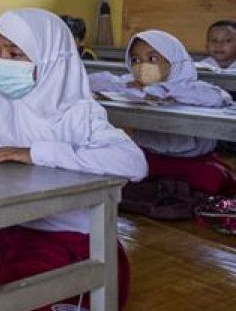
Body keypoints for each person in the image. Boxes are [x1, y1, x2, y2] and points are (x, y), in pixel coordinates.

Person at [0, 8, 147, 311]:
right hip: (13, 227)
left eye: (15, 55)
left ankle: (91, 286)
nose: (1, 64)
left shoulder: (77, 113)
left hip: (71, 237)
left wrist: (34, 152)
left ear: (49, 58)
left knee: (17, 301)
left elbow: (133, 162)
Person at [88, 30, 234, 195]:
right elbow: (97, 81)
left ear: (173, 61)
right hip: (149, 155)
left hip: (192, 160)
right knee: (114, 171)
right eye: (135, 60)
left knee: (212, 180)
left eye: (153, 59)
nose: (142, 65)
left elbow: (218, 97)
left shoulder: (189, 86)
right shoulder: (132, 84)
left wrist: (162, 90)